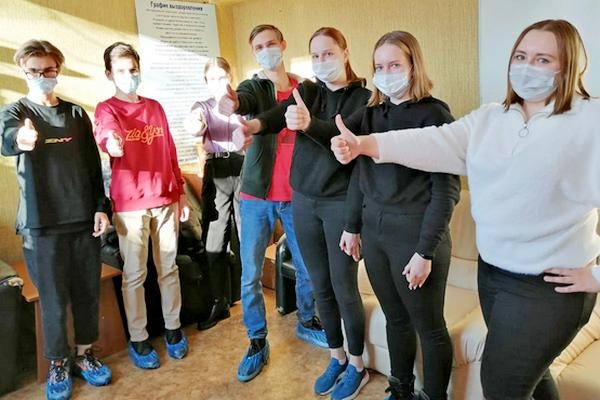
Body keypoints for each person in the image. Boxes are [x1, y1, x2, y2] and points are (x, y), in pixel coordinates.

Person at [331, 19, 599, 400]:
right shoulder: (490, 118)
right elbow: (431, 143)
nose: (527, 67)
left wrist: (598, 276)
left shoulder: (589, 122)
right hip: (494, 275)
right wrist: (365, 145)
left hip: (548, 288)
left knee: (501, 386)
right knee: (534, 379)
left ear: (568, 65)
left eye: (543, 59)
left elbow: (444, 188)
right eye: (521, 56)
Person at [230, 27, 371, 399]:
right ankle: (337, 356)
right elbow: (277, 116)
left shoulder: (364, 99)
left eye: (329, 53)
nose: (322, 61)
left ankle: (357, 366)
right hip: (304, 202)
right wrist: (252, 125)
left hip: (339, 204)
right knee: (320, 285)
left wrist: (310, 125)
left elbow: (345, 142)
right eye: (316, 56)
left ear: (345, 52)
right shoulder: (308, 91)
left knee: (343, 288)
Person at [327, 31, 459, 400]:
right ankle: (400, 389)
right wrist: (352, 227)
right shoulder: (371, 115)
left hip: (416, 236)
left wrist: (425, 251)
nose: (386, 73)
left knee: (429, 327)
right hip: (376, 233)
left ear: (413, 66)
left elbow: (446, 191)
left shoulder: (435, 114)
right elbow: (360, 177)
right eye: (379, 66)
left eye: (395, 65)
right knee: (395, 317)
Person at [0, 39, 112, 400]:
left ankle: (85, 354)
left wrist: (102, 207)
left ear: (57, 70)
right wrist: (22, 138)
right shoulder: (15, 111)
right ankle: (58, 363)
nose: (42, 76)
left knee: (87, 293)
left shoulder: (76, 114)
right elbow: (7, 139)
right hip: (41, 225)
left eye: (48, 69)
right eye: (34, 70)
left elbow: (93, 167)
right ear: (23, 71)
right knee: (52, 299)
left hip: (83, 220)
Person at [217, 24, 327, 383]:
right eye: (259, 47)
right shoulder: (254, 87)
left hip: (297, 195)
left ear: (283, 44)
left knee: (309, 266)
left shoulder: (305, 89)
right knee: (250, 274)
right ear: (254, 53)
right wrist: (234, 104)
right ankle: (257, 340)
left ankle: (307, 320)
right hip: (256, 197)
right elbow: (244, 101)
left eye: (271, 44)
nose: (266, 50)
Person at [94, 42, 190, 370]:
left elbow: (170, 151)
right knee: (135, 274)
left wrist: (180, 192)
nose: (128, 75)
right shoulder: (107, 109)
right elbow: (106, 135)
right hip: (130, 206)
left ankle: (174, 328)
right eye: (120, 70)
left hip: (165, 199)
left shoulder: (155, 107)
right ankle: (138, 337)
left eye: (132, 69)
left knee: (169, 269)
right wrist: (112, 143)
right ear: (109, 74)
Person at [184, 56, 246, 330]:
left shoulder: (243, 102)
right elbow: (193, 125)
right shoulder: (202, 106)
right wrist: (195, 125)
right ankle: (219, 302)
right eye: (212, 79)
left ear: (230, 77)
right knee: (215, 238)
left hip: (243, 167)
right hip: (216, 169)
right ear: (206, 83)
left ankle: (249, 295)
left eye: (222, 77)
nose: (218, 83)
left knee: (247, 235)